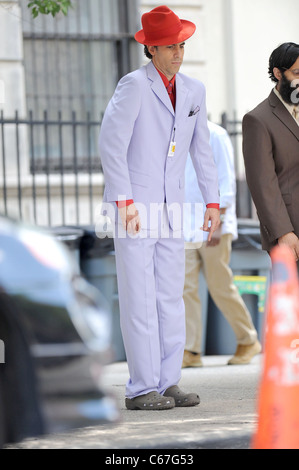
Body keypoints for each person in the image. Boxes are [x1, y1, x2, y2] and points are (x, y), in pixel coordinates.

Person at [98, 5, 220, 410]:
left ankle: (169, 382)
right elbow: (111, 145)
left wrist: (213, 200)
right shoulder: (132, 85)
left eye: (181, 45)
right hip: (134, 209)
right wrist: (124, 200)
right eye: (170, 46)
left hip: (172, 210)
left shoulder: (193, 91)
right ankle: (140, 388)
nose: (178, 53)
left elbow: (202, 151)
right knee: (139, 297)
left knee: (171, 296)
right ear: (151, 49)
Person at [182, 121, 261, 368]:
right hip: (185, 222)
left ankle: (248, 340)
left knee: (220, 285)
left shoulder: (215, 134)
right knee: (184, 287)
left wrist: (221, 219)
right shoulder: (176, 132)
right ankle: (190, 350)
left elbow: (226, 181)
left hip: (213, 222)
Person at [242, 42, 299, 261]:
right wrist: (283, 232)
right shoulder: (258, 120)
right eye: (296, 73)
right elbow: (262, 182)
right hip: (291, 233)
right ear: (278, 73)